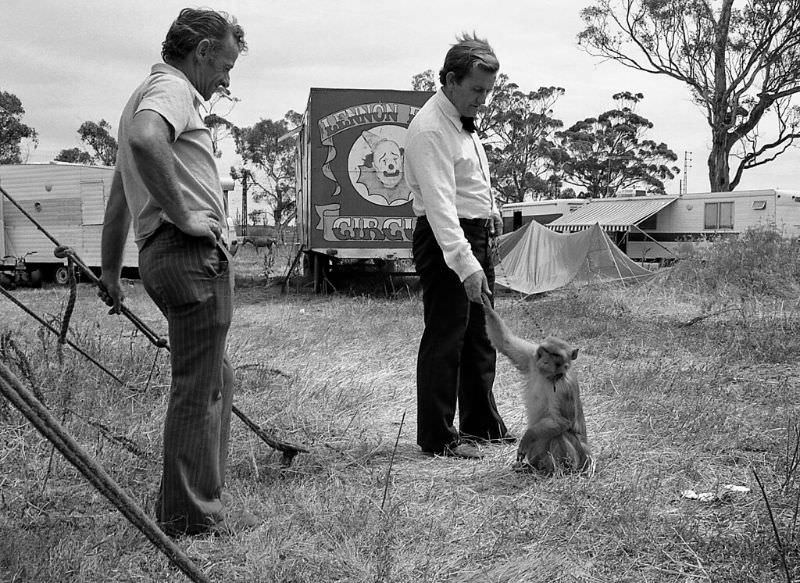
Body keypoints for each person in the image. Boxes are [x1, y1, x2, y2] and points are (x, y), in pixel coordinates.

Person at [98, 8, 254, 536]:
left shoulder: (138, 96)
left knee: (217, 376)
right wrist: (186, 214)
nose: (226, 80)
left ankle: (197, 494)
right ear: (201, 51)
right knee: (200, 386)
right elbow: (146, 141)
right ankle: (190, 516)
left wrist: (111, 272)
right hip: (189, 255)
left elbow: (120, 198)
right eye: (224, 66)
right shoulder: (170, 90)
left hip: (159, 256)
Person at [404, 33, 511, 459]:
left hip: (475, 232)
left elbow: (469, 180)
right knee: (446, 337)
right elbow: (440, 207)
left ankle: (481, 425)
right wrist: (466, 265)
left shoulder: (461, 122)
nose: (483, 100)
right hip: (448, 239)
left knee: (480, 336)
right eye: (476, 91)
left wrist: (493, 209)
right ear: (449, 80)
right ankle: (438, 437)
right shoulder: (430, 129)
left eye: (487, 92)